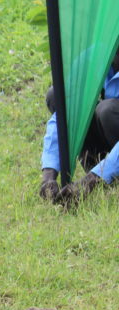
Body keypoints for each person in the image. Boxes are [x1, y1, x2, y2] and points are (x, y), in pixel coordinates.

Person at [39, 48, 119, 205]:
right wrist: (49, 174)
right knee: (58, 95)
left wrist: (93, 179)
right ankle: (100, 168)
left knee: (107, 111)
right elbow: (66, 109)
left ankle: (106, 175)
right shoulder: (98, 51)